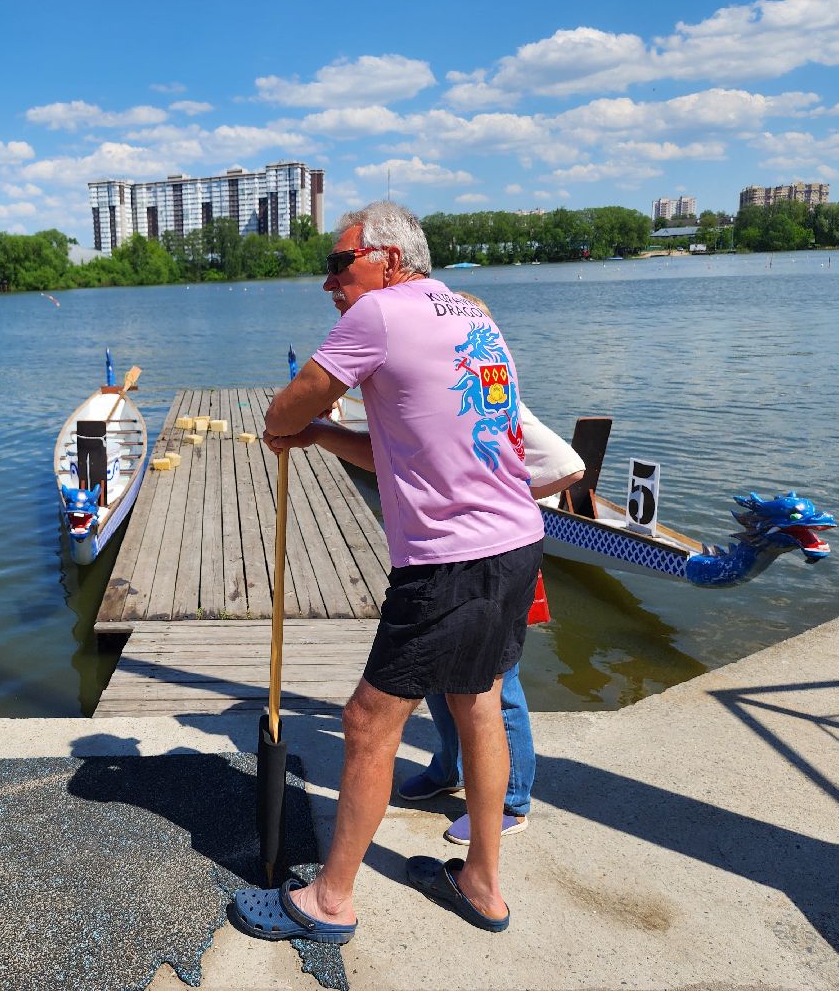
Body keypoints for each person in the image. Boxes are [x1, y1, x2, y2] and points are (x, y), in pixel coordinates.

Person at [231, 202, 544, 940]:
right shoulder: (471, 315)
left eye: (340, 264)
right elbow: (408, 453)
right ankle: (483, 882)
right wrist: (324, 438)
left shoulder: (378, 317)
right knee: (478, 705)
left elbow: (282, 410)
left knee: (368, 721)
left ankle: (330, 901)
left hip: (450, 560)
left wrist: (294, 426)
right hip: (516, 541)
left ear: (390, 261)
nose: (328, 282)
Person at [397, 290, 584, 846]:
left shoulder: (501, 404)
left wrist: (508, 498)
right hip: (451, 558)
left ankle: (514, 799)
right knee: (438, 674)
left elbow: (570, 466)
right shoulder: (451, 400)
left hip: (501, 557)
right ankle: (449, 766)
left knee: (499, 686)